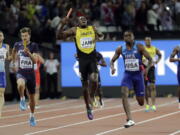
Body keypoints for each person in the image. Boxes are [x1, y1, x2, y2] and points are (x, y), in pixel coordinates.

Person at [56, 16, 104, 120]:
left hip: (92, 58)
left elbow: (101, 36)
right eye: (80, 19)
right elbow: (59, 36)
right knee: (84, 86)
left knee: (95, 79)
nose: (83, 19)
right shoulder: (75, 30)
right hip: (82, 60)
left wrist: (99, 34)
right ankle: (88, 107)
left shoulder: (92, 28)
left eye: (85, 18)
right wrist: (62, 24)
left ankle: (91, 97)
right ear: (77, 22)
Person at [110, 31, 152, 128]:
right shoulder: (120, 49)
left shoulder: (139, 47)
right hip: (128, 75)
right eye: (125, 36)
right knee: (123, 93)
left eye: (129, 36)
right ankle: (130, 119)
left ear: (133, 37)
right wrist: (112, 68)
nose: (127, 37)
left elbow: (150, 59)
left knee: (141, 102)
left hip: (138, 76)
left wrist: (147, 69)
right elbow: (112, 61)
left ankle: (138, 93)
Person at [12, 27, 39, 126]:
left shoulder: (34, 46)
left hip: (31, 74)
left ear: (29, 36)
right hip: (21, 72)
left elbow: (35, 60)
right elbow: (14, 51)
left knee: (32, 99)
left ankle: (32, 116)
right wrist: (14, 62)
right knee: (20, 85)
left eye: (26, 36)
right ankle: (22, 99)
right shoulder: (17, 44)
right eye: (22, 36)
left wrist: (28, 53)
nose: (24, 38)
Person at [143, 37, 162, 112]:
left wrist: (157, 61)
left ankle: (153, 105)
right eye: (146, 40)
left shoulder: (154, 48)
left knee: (153, 86)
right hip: (144, 68)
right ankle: (147, 105)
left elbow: (160, 55)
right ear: (144, 41)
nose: (148, 41)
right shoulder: (142, 49)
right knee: (145, 87)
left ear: (151, 41)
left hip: (151, 68)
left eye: (149, 40)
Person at [0, 31, 10, 118]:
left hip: (2, 72)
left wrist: (14, 55)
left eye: (0, 35)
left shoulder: (6, 46)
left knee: (1, 93)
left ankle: (0, 112)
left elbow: (9, 57)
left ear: (3, 37)